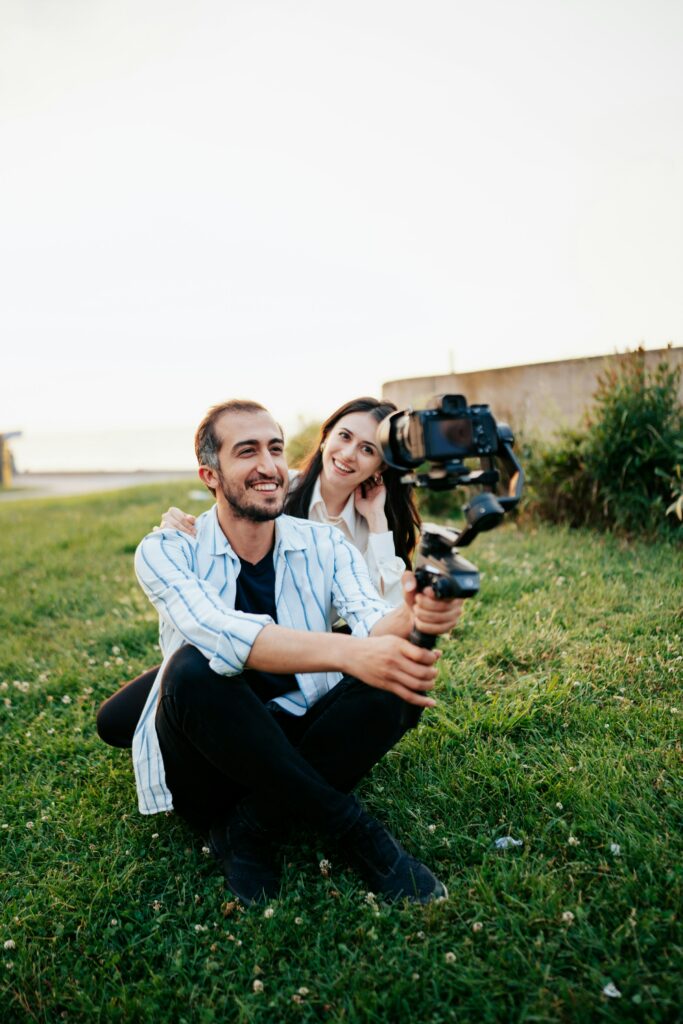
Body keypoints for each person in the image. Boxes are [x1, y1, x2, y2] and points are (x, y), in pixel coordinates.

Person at [113, 399, 462, 905]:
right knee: (190, 668)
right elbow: (222, 631)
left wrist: (417, 614)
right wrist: (348, 655)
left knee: (401, 680)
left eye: (275, 449)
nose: (268, 465)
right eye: (247, 451)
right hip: (210, 756)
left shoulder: (327, 544)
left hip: (293, 731)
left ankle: (247, 829)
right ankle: (357, 833)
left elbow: (371, 622)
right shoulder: (167, 549)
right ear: (210, 475)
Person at [96, 398, 421, 746]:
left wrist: (377, 523)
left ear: (379, 467)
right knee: (124, 716)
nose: (349, 453)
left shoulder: (367, 526)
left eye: (367, 449)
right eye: (344, 436)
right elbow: (227, 506)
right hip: (240, 634)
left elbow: (380, 617)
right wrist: (176, 524)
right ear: (325, 437)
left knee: (390, 686)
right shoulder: (277, 486)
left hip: (316, 648)